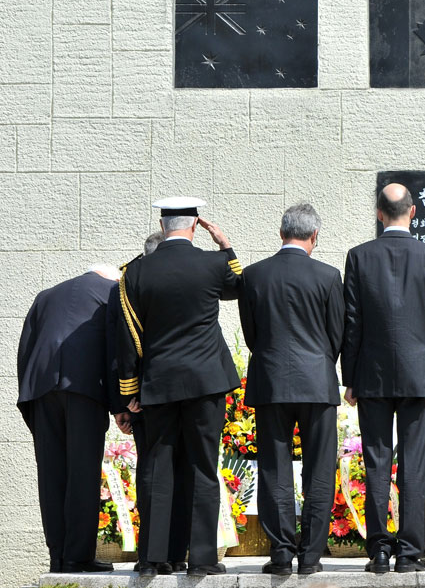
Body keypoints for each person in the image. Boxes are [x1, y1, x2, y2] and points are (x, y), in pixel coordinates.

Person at [116, 197, 241, 577]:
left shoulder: (135, 272)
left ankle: (154, 557)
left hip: (160, 383)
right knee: (203, 466)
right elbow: (238, 286)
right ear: (196, 224)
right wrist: (225, 244)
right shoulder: (213, 263)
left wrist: (129, 391)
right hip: (206, 382)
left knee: (157, 466)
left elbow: (128, 338)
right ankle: (201, 558)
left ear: (162, 222)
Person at [341, 183, 425, 574]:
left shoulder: (358, 256)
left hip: (371, 375)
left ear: (379, 213)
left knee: (376, 462)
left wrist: (348, 377)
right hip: (418, 375)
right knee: (414, 464)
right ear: (413, 212)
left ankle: (379, 551)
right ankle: (408, 551)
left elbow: (351, 323)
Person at [239, 203, 344, 576]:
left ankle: (281, 552)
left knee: (273, 468)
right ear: (314, 235)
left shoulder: (253, 275)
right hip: (317, 381)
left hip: (270, 381)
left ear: (280, 232)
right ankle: (311, 555)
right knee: (318, 470)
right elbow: (336, 335)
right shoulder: (329, 276)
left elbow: (251, 334)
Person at [18, 264, 120, 574]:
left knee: (51, 475)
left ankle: (57, 555)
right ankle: (77, 556)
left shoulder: (46, 296)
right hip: (83, 386)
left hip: (41, 388)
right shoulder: (113, 293)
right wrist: (120, 405)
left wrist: (28, 396)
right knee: (82, 471)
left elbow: (26, 348)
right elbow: (116, 350)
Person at [111, 231, 193, 575]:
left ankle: (163, 554)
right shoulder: (136, 282)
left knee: (166, 473)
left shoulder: (137, 281)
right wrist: (126, 396)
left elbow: (124, 343)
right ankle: (164, 553)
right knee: (168, 474)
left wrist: (127, 396)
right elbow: (120, 343)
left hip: (158, 393)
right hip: (167, 393)